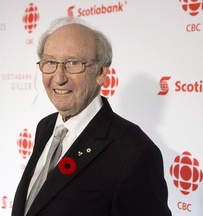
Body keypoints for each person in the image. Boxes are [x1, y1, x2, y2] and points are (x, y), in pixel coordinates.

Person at [12, 16, 172, 216]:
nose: (59, 78)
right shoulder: (45, 127)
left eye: (73, 63)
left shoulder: (135, 151)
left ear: (101, 72)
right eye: (50, 62)